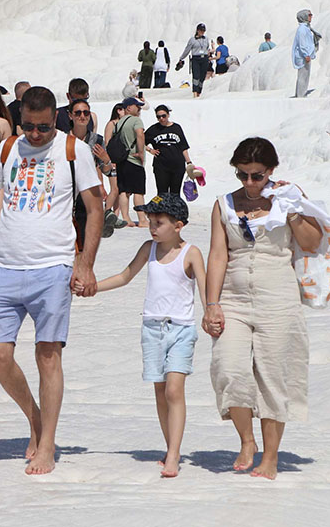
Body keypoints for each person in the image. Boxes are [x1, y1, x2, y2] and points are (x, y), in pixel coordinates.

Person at [0, 85, 104, 475]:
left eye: (44, 127)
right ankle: (34, 416)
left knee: (47, 355)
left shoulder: (73, 150)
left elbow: (95, 207)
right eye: (29, 127)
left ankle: (47, 442)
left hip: (53, 266)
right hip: (6, 266)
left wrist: (85, 262)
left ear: (56, 119)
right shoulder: (7, 149)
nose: (36, 135)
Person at [203, 137, 323, 480]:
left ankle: (271, 457)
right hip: (233, 296)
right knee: (228, 367)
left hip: (278, 295)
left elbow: (312, 242)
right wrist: (212, 304)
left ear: (271, 171)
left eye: (256, 175)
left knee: (273, 376)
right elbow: (218, 254)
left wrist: (292, 208)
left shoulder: (287, 198)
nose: (250, 183)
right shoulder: (224, 204)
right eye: (242, 175)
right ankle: (246, 440)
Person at [93, 194, 206, 478]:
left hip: (181, 329)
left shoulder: (191, 253)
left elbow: (206, 289)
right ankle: (171, 448)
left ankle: (174, 455)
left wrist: (212, 313)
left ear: (178, 225)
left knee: (173, 390)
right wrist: (94, 287)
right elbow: (125, 276)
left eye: (160, 222)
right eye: (151, 222)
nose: (153, 227)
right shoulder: (149, 248)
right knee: (159, 390)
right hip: (152, 329)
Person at [69, 98, 119, 236]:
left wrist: (106, 160)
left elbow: (106, 171)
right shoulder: (62, 139)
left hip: (87, 196)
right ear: (70, 115)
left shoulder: (97, 140)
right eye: (78, 113)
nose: (82, 116)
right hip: (67, 193)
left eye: (86, 112)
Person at [145, 105, 195, 195]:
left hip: (177, 166)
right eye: (158, 117)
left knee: (175, 193)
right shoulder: (153, 129)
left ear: (168, 115)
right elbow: (139, 141)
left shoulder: (176, 128)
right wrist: (150, 150)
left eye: (163, 116)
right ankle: (162, 209)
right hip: (161, 166)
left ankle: (174, 209)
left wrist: (189, 162)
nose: (161, 119)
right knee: (162, 193)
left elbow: (183, 147)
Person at [116, 97, 149, 226]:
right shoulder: (136, 120)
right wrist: (141, 153)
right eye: (137, 106)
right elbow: (140, 134)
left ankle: (126, 218)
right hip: (134, 160)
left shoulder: (119, 122)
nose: (139, 108)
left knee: (124, 191)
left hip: (122, 160)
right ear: (129, 108)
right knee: (138, 190)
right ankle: (142, 219)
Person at [103, 102, 129, 227]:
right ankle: (106, 213)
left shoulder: (122, 124)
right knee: (114, 189)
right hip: (112, 161)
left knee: (120, 189)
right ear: (118, 110)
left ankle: (115, 216)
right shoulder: (111, 124)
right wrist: (109, 160)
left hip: (121, 161)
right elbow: (107, 143)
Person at [177, 23, 212, 98]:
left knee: (202, 77)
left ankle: (199, 91)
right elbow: (187, 49)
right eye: (201, 30)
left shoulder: (206, 39)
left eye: (203, 31)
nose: (202, 32)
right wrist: (182, 58)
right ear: (197, 30)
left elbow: (207, 48)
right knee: (196, 76)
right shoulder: (192, 40)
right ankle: (195, 93)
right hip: (196, 58)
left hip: (204, 59)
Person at [293, 10, 317, 98]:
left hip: (305, 55)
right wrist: (305, 54)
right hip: (303, 56)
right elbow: (302, 43)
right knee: (303, 76)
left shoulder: (306, 27)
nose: (311, 17)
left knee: (305, 75)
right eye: (309, 15)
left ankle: (301, 93)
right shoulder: (302, 29)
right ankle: (300, 95)